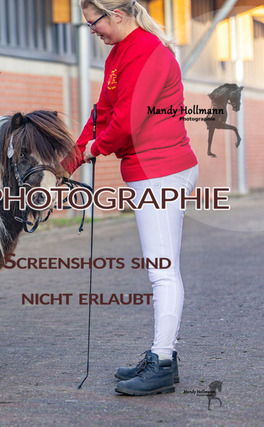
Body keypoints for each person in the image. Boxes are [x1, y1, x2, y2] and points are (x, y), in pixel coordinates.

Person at [61, 0, 199, 396]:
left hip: (162, 171)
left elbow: (126, 121)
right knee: (162, 268)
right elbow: (103, 112)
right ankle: (164, 355)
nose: (92, 31)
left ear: (116, 15)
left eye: (94, 23)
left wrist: (94, 149)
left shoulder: (147, 52)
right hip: (149, 171)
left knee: (162, 270)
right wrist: (70, 158)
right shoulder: (120, 53)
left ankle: (163, 362)